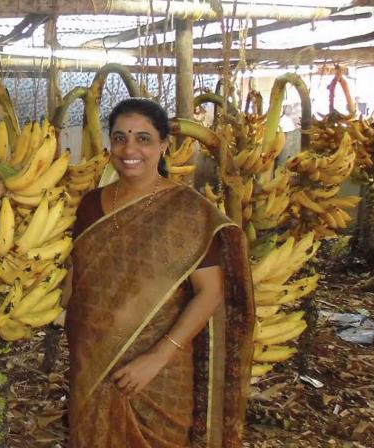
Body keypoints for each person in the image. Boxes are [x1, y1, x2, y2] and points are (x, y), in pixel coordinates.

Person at [64, 98, 254, 447]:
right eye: (120, 138)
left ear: (164, 145)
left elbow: (210, 292)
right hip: (91, 360)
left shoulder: (189, 211)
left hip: (159, 372)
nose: (129, 149)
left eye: (143, 139)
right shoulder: (90, 204)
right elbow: (79, 280)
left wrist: (156, 358)